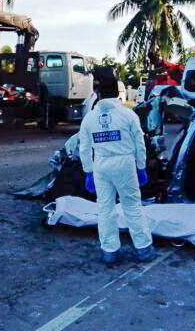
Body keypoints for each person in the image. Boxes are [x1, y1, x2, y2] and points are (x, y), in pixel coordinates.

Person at [79, 68, 154, 264]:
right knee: (132, 207)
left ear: (98, 93)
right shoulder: (128, 115)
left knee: (105, 209)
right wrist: (141, 166)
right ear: (117, 92)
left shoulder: (89, 118)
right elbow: (139, 143)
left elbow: (84, 148)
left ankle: (109, 251)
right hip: (125, 164)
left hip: (101, 165)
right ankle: (143, 248)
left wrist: (88, 172)